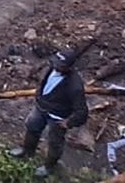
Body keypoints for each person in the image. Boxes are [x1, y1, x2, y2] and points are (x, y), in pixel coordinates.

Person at [9, 50, 89, 178]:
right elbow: (45, 82)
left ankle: (49, 166)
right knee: (32, 127)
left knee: (55, 142)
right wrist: (39, 95)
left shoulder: (75, 86)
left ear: (69, 68)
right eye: (55, 63)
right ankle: (27, 151)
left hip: (57, 117)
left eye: (60, 65)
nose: (56, 66)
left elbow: (82, 112)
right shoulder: (53, 68)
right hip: (41, 107)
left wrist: (68, 122)